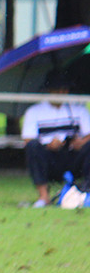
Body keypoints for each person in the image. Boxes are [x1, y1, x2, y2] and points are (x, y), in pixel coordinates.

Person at [21, 69, 90, 207]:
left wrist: (81, 142)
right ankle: (43, 196)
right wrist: (48, 145)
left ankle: (87, 191)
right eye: (57, 89)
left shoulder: (78, 109)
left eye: (64, 89)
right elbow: (28, 139)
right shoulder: (34, 112)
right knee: (33, 147)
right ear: (48, 90)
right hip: (49, 159)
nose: (61, 93)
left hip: (73, 157)